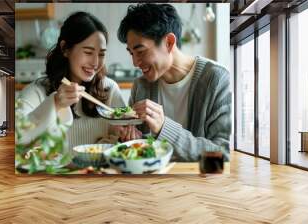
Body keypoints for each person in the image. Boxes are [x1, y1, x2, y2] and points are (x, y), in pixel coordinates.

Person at [116, 3, 232, 161]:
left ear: (169, 42)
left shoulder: (215, 79)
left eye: (141, 51)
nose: (135, 63)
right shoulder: (141, 85)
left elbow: (221, 155)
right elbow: (137, 146)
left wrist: (164, 128)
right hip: (150, 182)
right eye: (132, 53)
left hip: (197, 181)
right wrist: (128, 138)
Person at [16, 11, 125, 150]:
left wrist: (120, 137)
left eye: (101, 54)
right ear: (65, 49)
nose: (96, 62)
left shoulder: (109, 89)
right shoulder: (36, 91)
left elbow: (119, 142)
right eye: (88, 52)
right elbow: (17, 137)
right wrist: (54, 103)